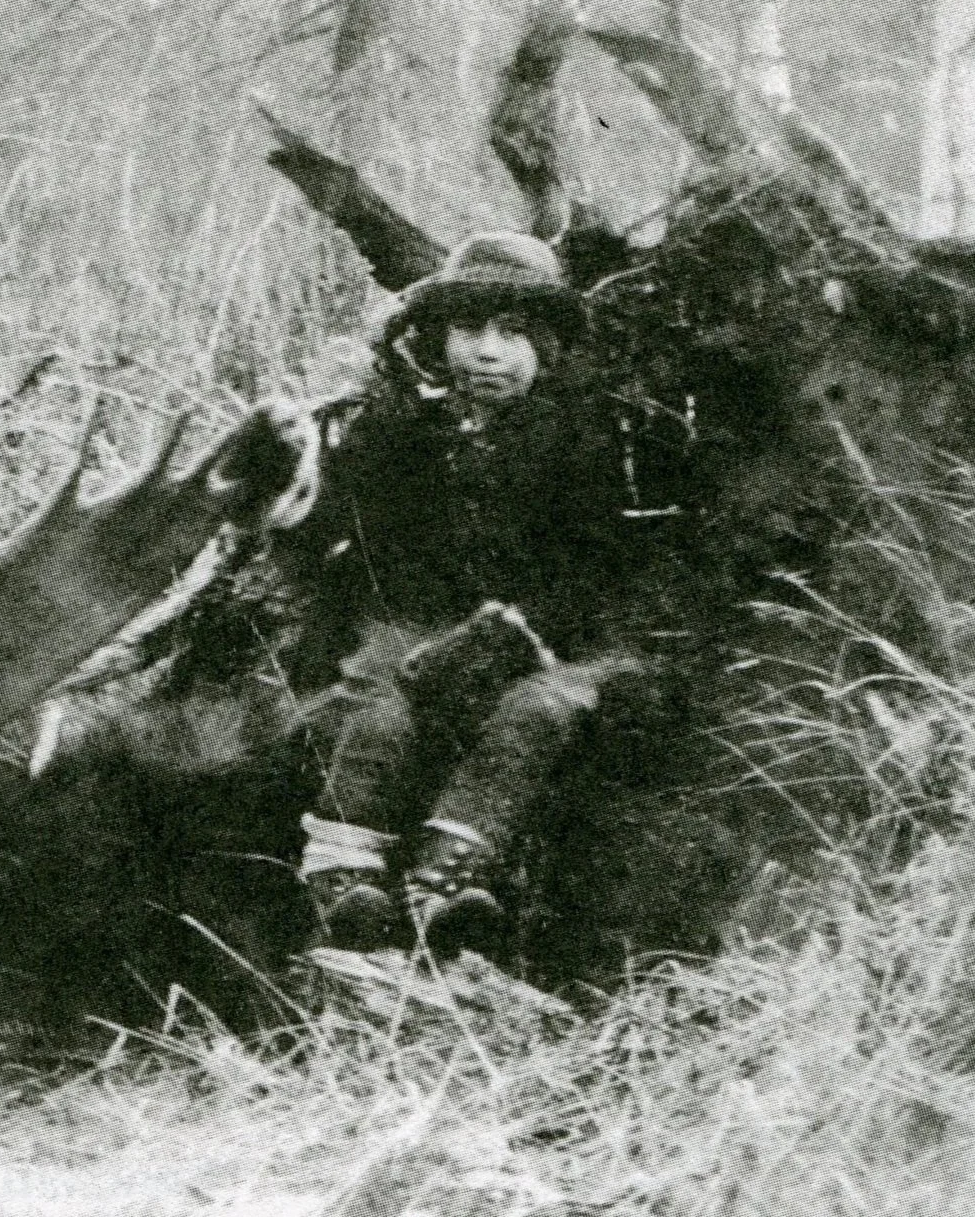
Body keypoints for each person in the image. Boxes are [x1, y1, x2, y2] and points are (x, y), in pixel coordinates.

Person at [260, 231, 675, 955]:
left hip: (549, 641)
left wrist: (517, 628)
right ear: (437, 338)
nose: (487, 352)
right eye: (469, 330)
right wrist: (293, 482)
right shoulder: (402, 430)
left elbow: (603, 567)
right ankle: (342, 878)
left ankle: (443, 881)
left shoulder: (590, 441)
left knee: (537, 711)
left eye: (512, 333)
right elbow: (351, 538)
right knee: (378, 709)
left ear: (547, 346)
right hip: (414, 628)